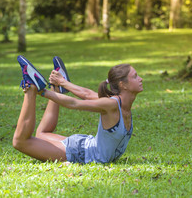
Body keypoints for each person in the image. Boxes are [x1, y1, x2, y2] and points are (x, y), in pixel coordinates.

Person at [13, 55, 143, 164]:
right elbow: (74, 103)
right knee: (20, 142)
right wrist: (42, 92)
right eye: (135, 76)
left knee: (41, 135)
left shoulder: (119, 103)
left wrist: (63, 82)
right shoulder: (112, 104)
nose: (140, 79)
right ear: (123, 85)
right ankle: (31, 88)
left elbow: (87, 94)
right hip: (79, 154)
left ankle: (56, 88)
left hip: (84, 145)